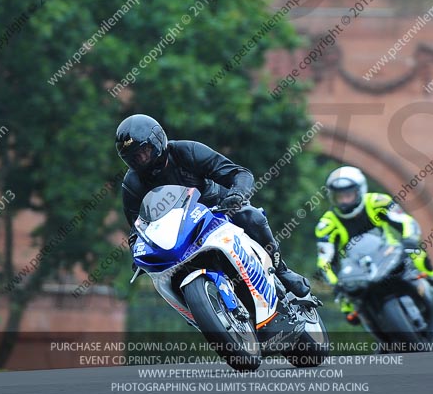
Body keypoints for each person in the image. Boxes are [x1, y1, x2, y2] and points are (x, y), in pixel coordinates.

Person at [116, 114, 311, 298]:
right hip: (179, 239)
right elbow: (137, 230)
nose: (141, 160)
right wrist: (139, 255)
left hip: (216, 211)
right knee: (164, 274)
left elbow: (240, 174)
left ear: (157, 142)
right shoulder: (131, 185)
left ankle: (282, 271)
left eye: (144, 152)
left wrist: (236, 195)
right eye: (134, 158)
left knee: (250, 216)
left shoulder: (187, 152)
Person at [315, 166, 433, 324]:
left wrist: (409, 239)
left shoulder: (378, 201)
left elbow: (406, 221)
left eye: (348, 195)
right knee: (347, 306)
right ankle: (378, 333)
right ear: (332, 196)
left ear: (360, 191)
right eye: (339, 196)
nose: (344, 200)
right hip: (356, 269)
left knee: (417, 254)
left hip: (388, 253)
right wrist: (335, 283)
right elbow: (324, 260)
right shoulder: (326, 224)